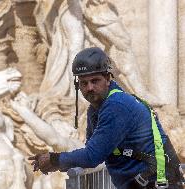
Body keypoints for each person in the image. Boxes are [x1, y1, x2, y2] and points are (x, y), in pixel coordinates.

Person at [29, 47, 184, 189]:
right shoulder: (96, 109)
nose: (89, 87)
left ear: (108, 79)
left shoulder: (116, 106)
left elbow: (92, 157)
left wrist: (55, 160)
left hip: (156, 184)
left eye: (95, 80)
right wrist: (57, 161)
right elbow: (92, 148)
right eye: (84, 83)